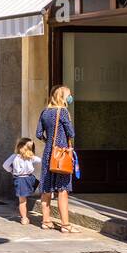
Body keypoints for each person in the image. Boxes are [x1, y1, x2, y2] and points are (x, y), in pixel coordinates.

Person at [37, 85, 82, 232]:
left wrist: (49, 143)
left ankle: (46, 221)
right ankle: (65, 225)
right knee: (62, 190)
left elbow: (38, 134)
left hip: (48, 153)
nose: (70, 97)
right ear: (62, 97)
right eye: (68, 95)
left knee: (46, 188)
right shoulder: (62, 112)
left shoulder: (45, 112)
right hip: (61, 155)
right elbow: (71, 133)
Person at [3, 138, 42, 225]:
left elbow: (5, 165)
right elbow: (41, 161)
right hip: (28, 179)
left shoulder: (14, 156)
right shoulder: (31, 157)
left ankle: (23, 216)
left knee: (22, 201)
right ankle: (24, 218)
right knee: (23, 200)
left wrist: (11, 170)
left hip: (20, 179)